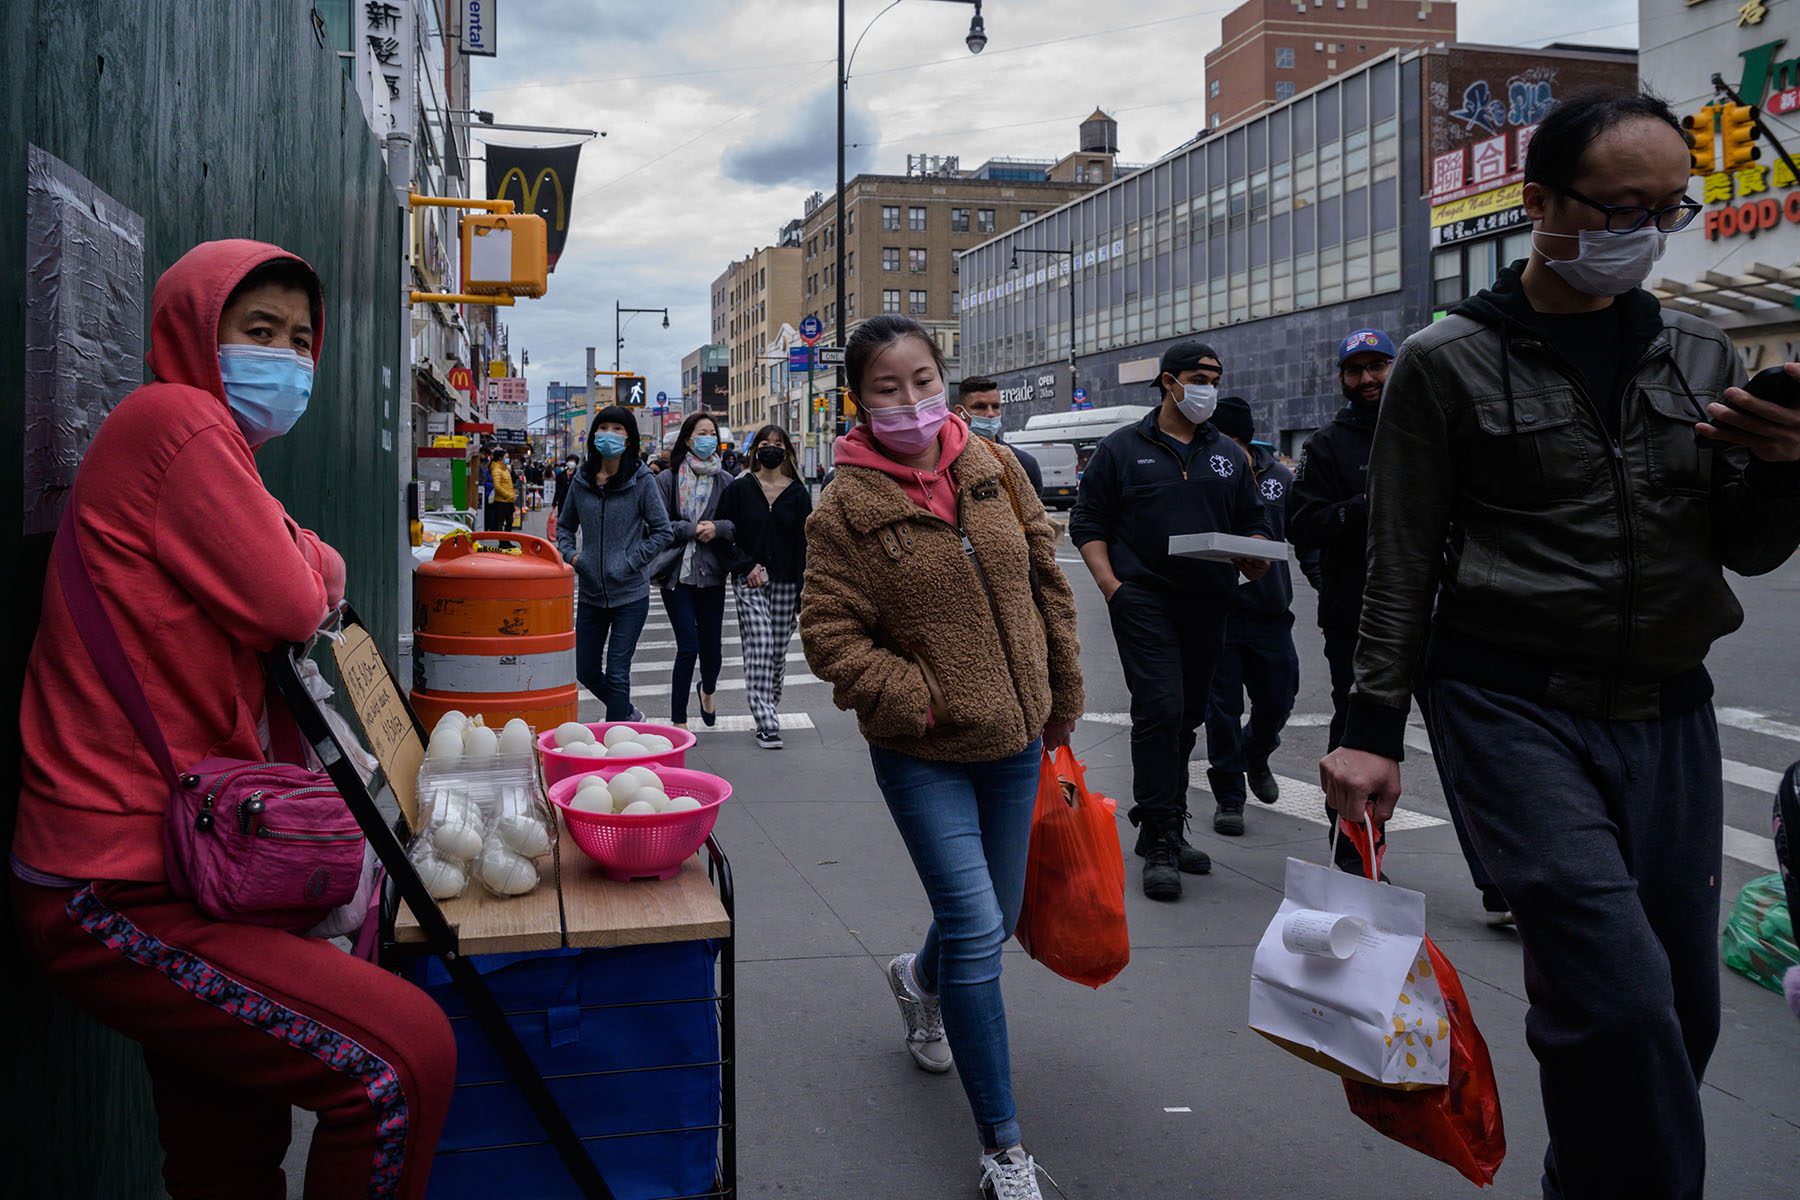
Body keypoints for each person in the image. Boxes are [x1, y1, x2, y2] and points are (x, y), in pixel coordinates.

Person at [1319, 92, 1800, 1200]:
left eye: (1669, 209)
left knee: (1677, 1014)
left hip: (1671, 711)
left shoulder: (1700, 354)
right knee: (1618, 1000)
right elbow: (1400, 560)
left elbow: (1750, 550)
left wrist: (1784, 467)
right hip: (1510, 704)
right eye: (1622, 206)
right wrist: (1369, 731)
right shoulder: (1446, 364)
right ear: (1538, 205)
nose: (1645, 229)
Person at [11, 240, 455, 1197]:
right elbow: (297, 599)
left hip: (180, 859)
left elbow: (315, 570)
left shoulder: (214, 457)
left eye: (302, 340)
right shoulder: (178, 422)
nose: (288, 358)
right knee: (399, 1063)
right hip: (114, 878)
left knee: (226, 1153)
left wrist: (300, 556)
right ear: (192, 332)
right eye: (258, 332)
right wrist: (300, 556)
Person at [801, 315, 1084, 1200]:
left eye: (923, 380)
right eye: (889, 388)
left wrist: (1060, 693)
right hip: (920, 748)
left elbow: (1048, 581)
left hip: (1014, 741)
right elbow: (829, 634)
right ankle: (1003, 1146)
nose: (912, 401)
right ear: (859, 401)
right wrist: (912, 695)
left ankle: (915, 979)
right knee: (975, 928)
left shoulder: (994, 467)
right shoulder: (844, 508)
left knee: (991, 918)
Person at [1069, 340, 1271, 901]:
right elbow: (1087, 523)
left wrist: (1255, 552)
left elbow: (1253, 522)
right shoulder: (1120, 448)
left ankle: (1168, 818)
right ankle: (1158, 836)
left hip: (1210, 601)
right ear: (1167, 382)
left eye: (1215, 375)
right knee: (1158, 708)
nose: (1208, 385)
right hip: (1144, 601)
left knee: (1187, 715)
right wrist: (1113, 588)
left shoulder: (1229, 453)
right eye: (1197, 376)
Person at [1202, 396, 1299, 835]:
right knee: (1221, 710)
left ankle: (1257, 751)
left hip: (1269, 612)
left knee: (1278, 697)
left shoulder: (1279, 478)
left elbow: (1303, 533)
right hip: (1219, 614)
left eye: (1237, 440)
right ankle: (1229, 795)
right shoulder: (1204, 476)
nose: (1230, 450)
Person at [557, 407, 673, 722]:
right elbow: (565, 527)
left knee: (618, 672)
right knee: (586, 669)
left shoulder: (642, 480)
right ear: (594, 435)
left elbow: (663, 531)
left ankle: (617, 741)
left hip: (630, 595)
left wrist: (630, 562)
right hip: (592, 593)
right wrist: (574, 558)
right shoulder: (581, 480)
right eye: (603, 427)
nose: (609, 434)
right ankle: (627, 714)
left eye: (617, 429)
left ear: (629, 438)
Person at [717, 424, 813, 749]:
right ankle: (767, 721)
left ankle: (769, 701)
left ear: (786, 451)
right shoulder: (739, 489)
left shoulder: (798, 493)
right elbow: (723, 535)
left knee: (776, 652)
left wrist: (805, 586)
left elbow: (806, 543)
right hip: (749, 579)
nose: (771, 448)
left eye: (778, 443)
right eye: (765, 443)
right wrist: (745, 565)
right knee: (759, 644)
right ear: (755, 448)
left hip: (787, 582)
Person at [654, 413, 735, 729]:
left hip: (712, 574)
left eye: (711, 433)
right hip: (676, 574)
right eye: (701, 433)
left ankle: (708, 689)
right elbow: (657, 525)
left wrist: (717, 528)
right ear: (687, 438)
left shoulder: (725, 481)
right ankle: (679, 722)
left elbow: (736, 525)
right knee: (688, 645)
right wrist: (690, 529)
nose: (708, 438)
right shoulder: (667, 479)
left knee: (712, 649)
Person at [956, 375, 1042, 493]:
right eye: (980, 407)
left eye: (995, 406)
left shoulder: (1024, 463)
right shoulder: (950, 461)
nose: (990, 413)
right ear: (960, 413)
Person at [489, 450, 516, 532]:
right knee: (500, 522)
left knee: (510, 521)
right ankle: (502, 541)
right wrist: (508, 495)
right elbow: (497, 486)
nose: (508, 459)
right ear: (500, 458)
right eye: (506, 457)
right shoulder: (496, 469)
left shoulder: (505, 469)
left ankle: (507, 540)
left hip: (508, 500)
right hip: (502, 501)